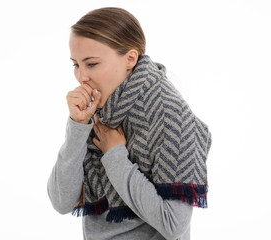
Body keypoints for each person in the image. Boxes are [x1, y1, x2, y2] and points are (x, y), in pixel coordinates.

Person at [47, 7, 212, 240]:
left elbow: (173, 224)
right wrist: (77, 126)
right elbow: (61, 201)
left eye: (92, 64)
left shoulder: (171, 116)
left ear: (130, 58)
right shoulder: (102, 110)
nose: (81, 76)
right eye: (75, 64)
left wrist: (114, 155)